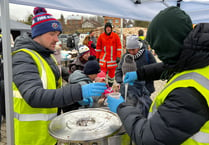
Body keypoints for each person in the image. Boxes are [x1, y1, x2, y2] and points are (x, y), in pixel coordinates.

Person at [107, 6, 209, 145]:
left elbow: (150, 139)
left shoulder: (189, 93)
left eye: (158, 49)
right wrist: (138, 73)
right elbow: (168, 67)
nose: (157, 53)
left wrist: (121, 108)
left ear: (170, 44)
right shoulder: (199, 58)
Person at [12, 7, 106, 145]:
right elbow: (34, 96)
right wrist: (79, 91)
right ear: (38, 34)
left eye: (58, 34)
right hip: (31, 137)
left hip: (48, 135)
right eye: (52, 34)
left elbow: (56, 88)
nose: (57, 39)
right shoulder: (23, 57)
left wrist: (76, 99)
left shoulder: (45, 55)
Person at [96, 22, 122, 87]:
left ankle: (110, 86)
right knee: (102, 74)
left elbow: (119, 47)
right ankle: (101, 87)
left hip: (112, 60)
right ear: (105, 29)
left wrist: (118, 56)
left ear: (111, 29)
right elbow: (98, 48)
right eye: (107, 28)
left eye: (109, 28)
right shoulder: (101, 36)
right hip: (103, 60)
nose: (108, 29)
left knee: (111, 75)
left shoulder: (115, 36)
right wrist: (97, 57)